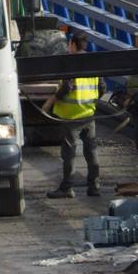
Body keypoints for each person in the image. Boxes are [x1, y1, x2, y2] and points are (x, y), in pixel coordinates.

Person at [44, 30, 101, 198]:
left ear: (73, 44)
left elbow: (67, 87)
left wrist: (49, 103)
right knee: (91, 151)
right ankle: (94, 186)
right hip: (89, 114)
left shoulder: (71, 62)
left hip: (72, 117)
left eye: (69, 44)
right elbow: (102, 87)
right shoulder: (94, 63)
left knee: (69, 154)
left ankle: (67, 188)